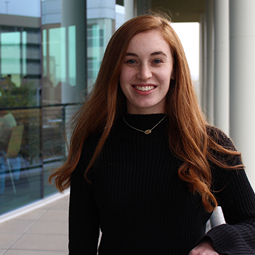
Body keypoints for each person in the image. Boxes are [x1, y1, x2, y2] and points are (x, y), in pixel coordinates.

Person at [49, 13, 255, 255]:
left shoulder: (209, 144)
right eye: (131, 61)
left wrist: (215, 243)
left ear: (174, 69)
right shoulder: (94, 146)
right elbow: (81, 246)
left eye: (157, 61)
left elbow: (251, 223)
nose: (144, 74)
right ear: (115, 69)